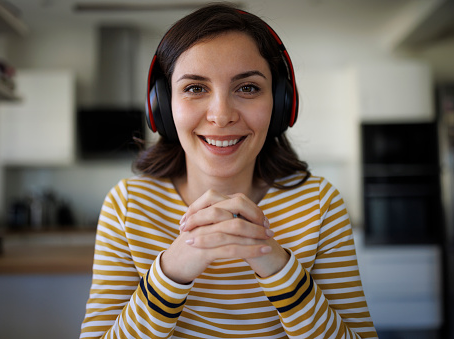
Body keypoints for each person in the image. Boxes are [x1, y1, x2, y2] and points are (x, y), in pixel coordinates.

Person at [80, 3, 378, 338]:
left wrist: (278, 266)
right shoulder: (127, 206)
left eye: (247, 87)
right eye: (195, 88)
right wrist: (170, 272)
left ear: (281, 104)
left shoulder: (320, 204)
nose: (221, 115)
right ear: (162, 106)